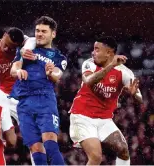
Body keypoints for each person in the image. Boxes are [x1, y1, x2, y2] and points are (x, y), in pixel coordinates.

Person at [69, 36, 143, 165]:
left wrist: (134, 95)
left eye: (97, 49)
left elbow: (140, 100)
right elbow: (89, 81)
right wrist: (111, 66)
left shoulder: (125, 73)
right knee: (96, 156)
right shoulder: (89, 63)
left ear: (109, 53)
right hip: (82, 116)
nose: (93, 52)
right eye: (93, 49)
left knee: (123, 151)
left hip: (104, 120)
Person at [10, 16, 67, 165]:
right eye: (37, 31)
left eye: (44, 31)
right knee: (36, 148)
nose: (39, 34)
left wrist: (50, 73)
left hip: (44, 100)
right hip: (23, 103)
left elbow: (57, 75)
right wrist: (18, 72)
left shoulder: (58, 57)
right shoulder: (26, 50)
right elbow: (14, 68)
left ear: (53, 34)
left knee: (50, 142)